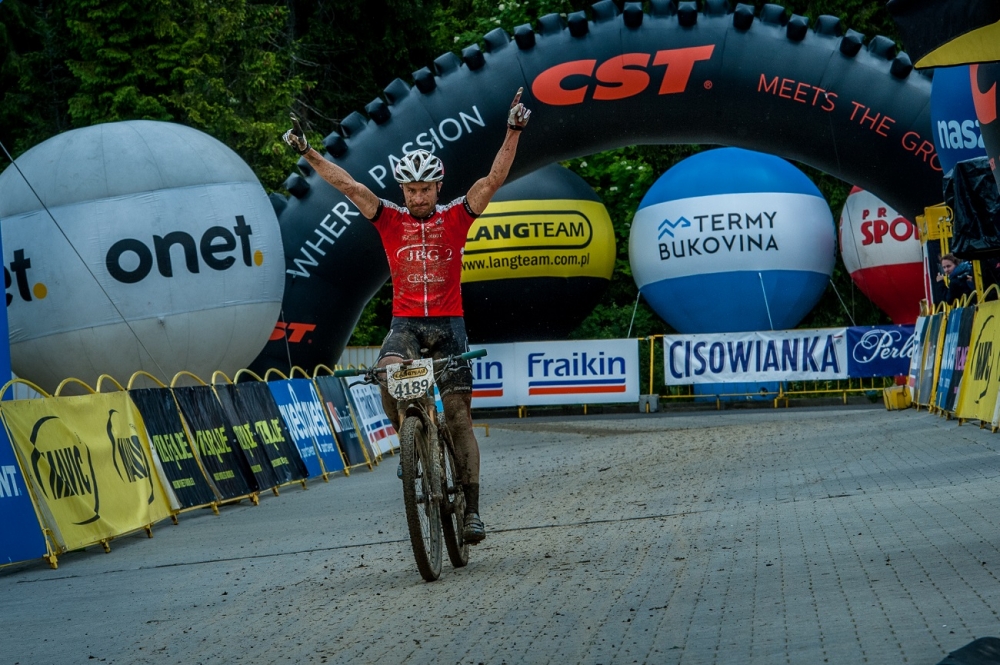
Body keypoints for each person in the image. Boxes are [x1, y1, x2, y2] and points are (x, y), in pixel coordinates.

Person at [282, 89, 531, 544]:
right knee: (385, 372)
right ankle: (411, 444)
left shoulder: (458, 215)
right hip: (406, 327)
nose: (417, 197)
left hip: (450, 326)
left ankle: (472, 511)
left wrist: (513, 130)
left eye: (424, 189)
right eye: (411, 190)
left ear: (438, 186)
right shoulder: (389, 219)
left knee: (458, 418)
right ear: (404, 190)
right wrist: (307, 151)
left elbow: (493, 178)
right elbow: (348, 185)